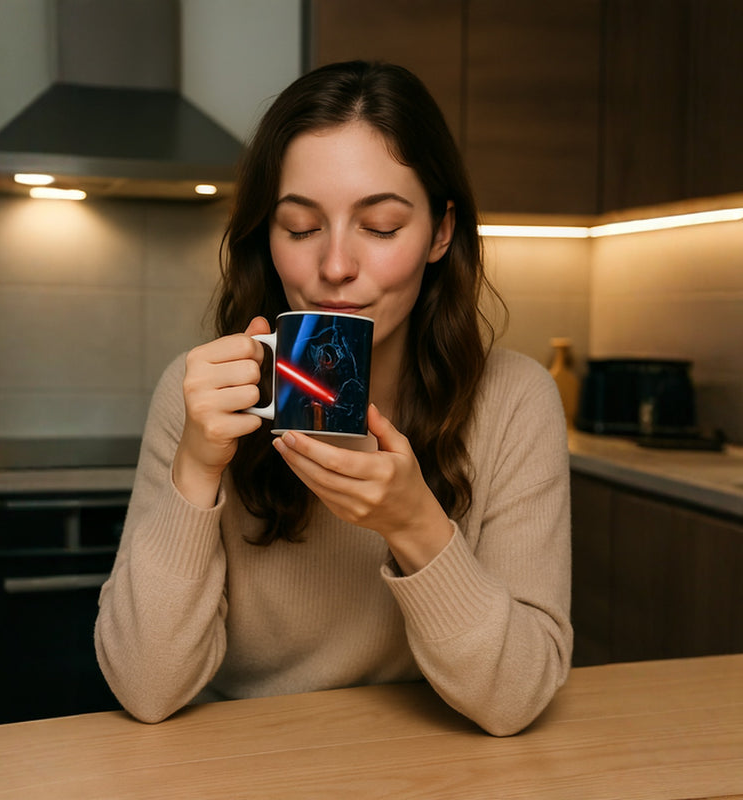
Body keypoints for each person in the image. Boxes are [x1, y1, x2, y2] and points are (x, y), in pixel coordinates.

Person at [94, 60, 572, 737]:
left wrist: (415, 524)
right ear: (267, 235)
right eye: (299, 227)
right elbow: (145, 689)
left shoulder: (515, 401)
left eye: (379, 227)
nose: (336, 266)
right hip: (243, 762)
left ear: (439, 232)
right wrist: (197, 469)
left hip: (433, 765)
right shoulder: (200, 391)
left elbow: (517, 699)